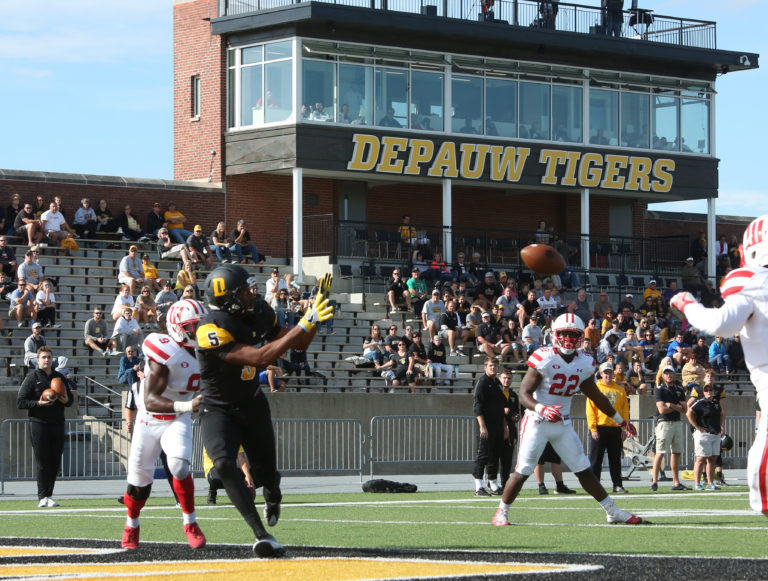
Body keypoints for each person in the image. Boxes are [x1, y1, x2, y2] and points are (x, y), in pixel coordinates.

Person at [195, 264, 334, 557]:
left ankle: (273, 493)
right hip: (217, 408)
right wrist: (303, 322)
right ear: (228, 297)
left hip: (252, 403)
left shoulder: (258, 310)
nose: (252, 293)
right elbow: (260, 356)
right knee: (222, 464)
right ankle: (261, 534)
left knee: (264, 475)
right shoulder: (210, 326)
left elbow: (299, 343)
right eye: (245, 290)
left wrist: (314, 319)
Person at [492, 313, 642, 527]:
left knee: (583, 469)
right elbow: (524, 394)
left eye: (573, 334)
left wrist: (620, 420)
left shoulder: (585, 362)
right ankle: (501, 512)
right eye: (564, 333)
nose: (569, 339)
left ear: (581, 337)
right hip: (537, 422)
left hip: (562, 423)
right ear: (555, 334)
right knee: (523, 470)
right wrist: (542, 407)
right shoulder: (544, 357)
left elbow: (596, 396)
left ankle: (612, 511)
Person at [120, 299, 209, 550]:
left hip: (177, 420)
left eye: (201, 324)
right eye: (193, 326)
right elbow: (149, 400)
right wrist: (187, 406)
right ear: (178, 328)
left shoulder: (207, 350)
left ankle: (190, 523)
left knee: (179, 466)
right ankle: (131, 524)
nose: (199, 331)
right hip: (150, 420)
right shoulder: (165, 350)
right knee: (139, 485)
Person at [16, 346, 74, 508]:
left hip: (57, 423)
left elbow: (69, 400)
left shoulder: (59, 377)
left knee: (55, 461)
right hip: (38, 424)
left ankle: (49, 495)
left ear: (52, 359)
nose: (46, 360)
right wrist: (39, 403)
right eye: (43, 357)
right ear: (37, 359)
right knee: (43, 461)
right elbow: (20, 402)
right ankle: (42, 496)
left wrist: (64, 400)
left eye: (49, 357)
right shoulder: (32, 378)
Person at [587, 362, 630, 494]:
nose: (608, 375)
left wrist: (624, 428)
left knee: (615, 459)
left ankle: (617, 485)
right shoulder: (595, 388)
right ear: (600, 374)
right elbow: (590, 410)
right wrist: (593, 428)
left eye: (610, 372)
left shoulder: (620, 389)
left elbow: (625, 411)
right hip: (599, 427)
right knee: (596, 460)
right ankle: (595, 487)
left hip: (615, 428)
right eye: (605, 372)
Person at [472, 358, 508, 497]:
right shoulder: (482, 383)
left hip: (498, 425)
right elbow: (477, 406)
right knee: (483, 455)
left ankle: (494, 485)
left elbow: (502, 407)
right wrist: (482, 426)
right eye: (491, 365)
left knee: (494, 455)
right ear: (485, 367)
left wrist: (504, 427)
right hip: (486, 425)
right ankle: (478, 487)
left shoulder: (497, 383)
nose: (493, 368)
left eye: (495, 366)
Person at [650, 365, 689, 491]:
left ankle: (676, 482)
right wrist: (676, 406)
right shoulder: (659, 389)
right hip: (664, 423)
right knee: (660, 453)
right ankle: (654, 481)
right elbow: (662, 409)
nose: (669, 375)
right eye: (666, 373)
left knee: (676, 452)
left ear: (674, 374)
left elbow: (685, 409)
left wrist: (671, 405)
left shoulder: (678, 388)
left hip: (677, 422)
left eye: (670, 373)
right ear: (662, 375)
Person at [686, 383, 725, 491]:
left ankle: (710, 482)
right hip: (704, 434)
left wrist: (721, 426)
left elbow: (721, 414)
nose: (708, 392)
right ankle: (697, 483)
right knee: (700, 459)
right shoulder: (700, 403)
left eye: (710, 390)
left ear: (713, 391)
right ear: (703, 392)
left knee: (712, 459)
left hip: (715, 434)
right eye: (706, 390)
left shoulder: (716, 402)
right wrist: (697, 426)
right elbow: (689, 413)